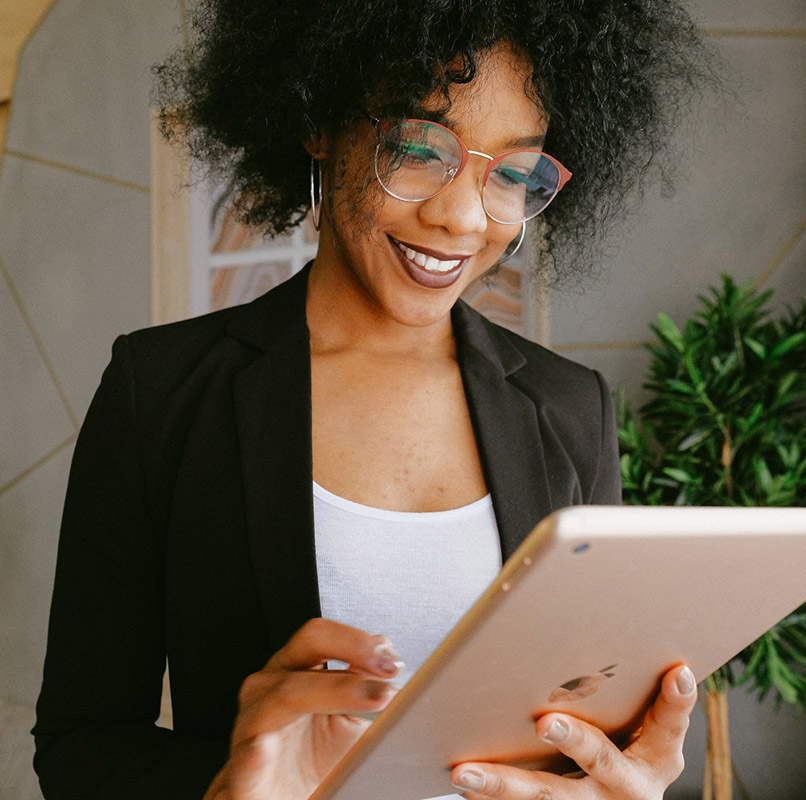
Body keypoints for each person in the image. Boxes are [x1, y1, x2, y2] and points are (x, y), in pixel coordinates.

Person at [33, 1, 712, 798]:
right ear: (318, 120)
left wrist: (629, 776)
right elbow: (81, 747)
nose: (462, 217)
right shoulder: (165, 392)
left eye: (515, 173)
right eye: (420, 149)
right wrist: (229, 786)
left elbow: (587, 728)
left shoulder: (570, 409)